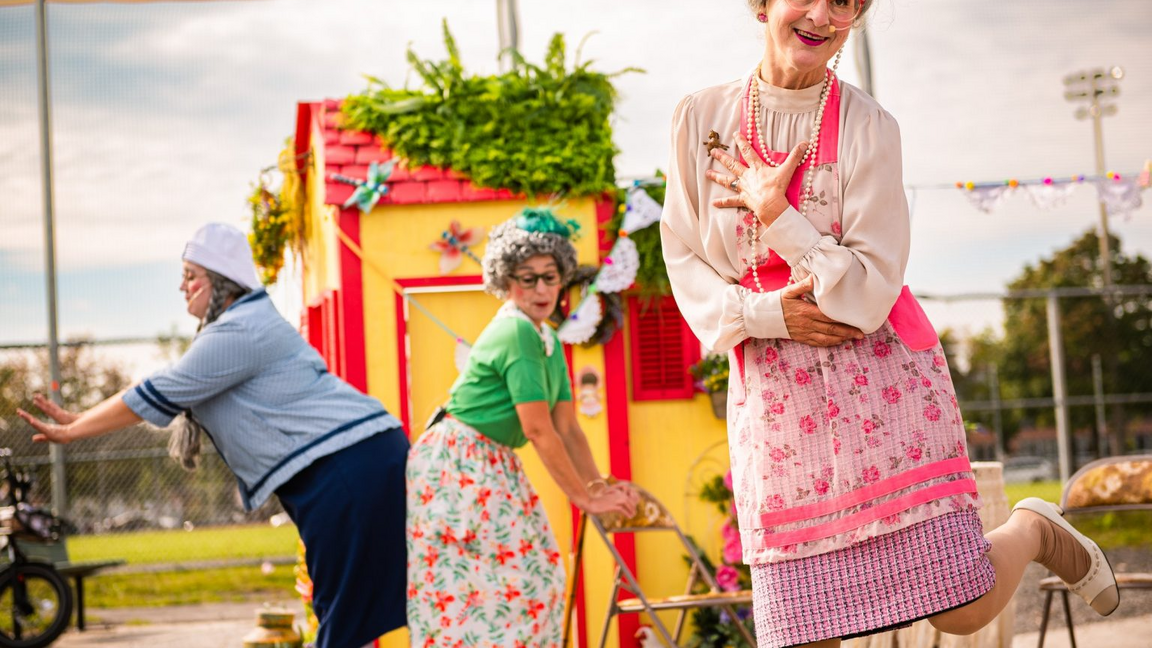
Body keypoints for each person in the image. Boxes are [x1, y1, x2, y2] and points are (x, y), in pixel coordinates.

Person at [659, 1, 1120, 646]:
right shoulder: (698, 118)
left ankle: (1035, 529)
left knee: (958, 609)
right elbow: (682, 254)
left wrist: (777, 215)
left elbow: (872, 289)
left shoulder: (870, 127)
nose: (823, 13)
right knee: (798, 630)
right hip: (775, 392)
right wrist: (769, 316)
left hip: (881, 377)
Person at [17, 223, 408, 648]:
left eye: (190, 275)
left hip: (348, 468)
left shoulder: (241, 329)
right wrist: (82, 418)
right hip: (350, 465)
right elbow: (156, 394)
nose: (181, 286)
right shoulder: (242, 324)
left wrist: (74, 430)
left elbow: (158, 389)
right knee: (347, 611)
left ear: (220, 282)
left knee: (345, 618)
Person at [405, 209, 639, 648]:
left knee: (536, 575)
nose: (541, 289)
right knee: (486, 587)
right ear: (506, 281)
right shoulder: (516, 330)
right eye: (526, 278)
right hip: (458, 458)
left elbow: (567, 427)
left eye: (550, 277)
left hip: (490, 457)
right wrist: (585, 498)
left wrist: (597, 485)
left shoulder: (546, 337)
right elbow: (538, 430)